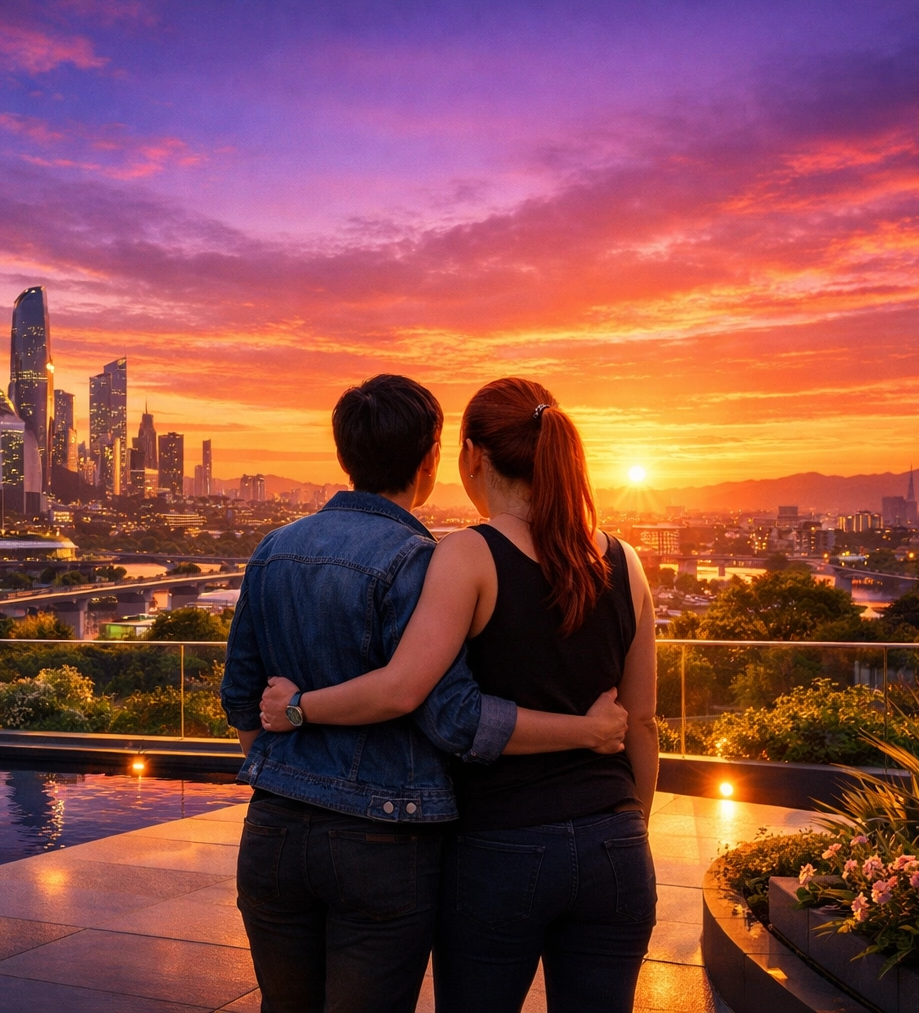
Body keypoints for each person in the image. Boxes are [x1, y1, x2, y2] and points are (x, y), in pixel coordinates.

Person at [220, 374, 629, 1013]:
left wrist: (282, 762)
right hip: (385, 838)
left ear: (344, 452)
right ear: (433, 456)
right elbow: (453, 716)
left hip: (273, 829)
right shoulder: (421, 558)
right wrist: (588, 732)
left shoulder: (274, 548)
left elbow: (242, 694)